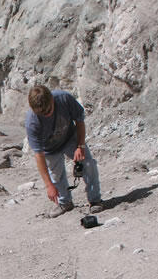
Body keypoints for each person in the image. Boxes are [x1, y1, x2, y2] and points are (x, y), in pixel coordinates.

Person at [25, 84, 104, 218]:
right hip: (49, 149)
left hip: (70, 137)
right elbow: (39, 155)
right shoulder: (32, 123)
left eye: (49, 110)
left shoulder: (64, 98)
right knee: (56, 177)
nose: (47, 114)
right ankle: (65, 203)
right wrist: (48, 185)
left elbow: (79, 121)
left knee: (88, 164)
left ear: (52, 100)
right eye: (42, 113)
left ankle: (95, 200)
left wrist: (80, 146)